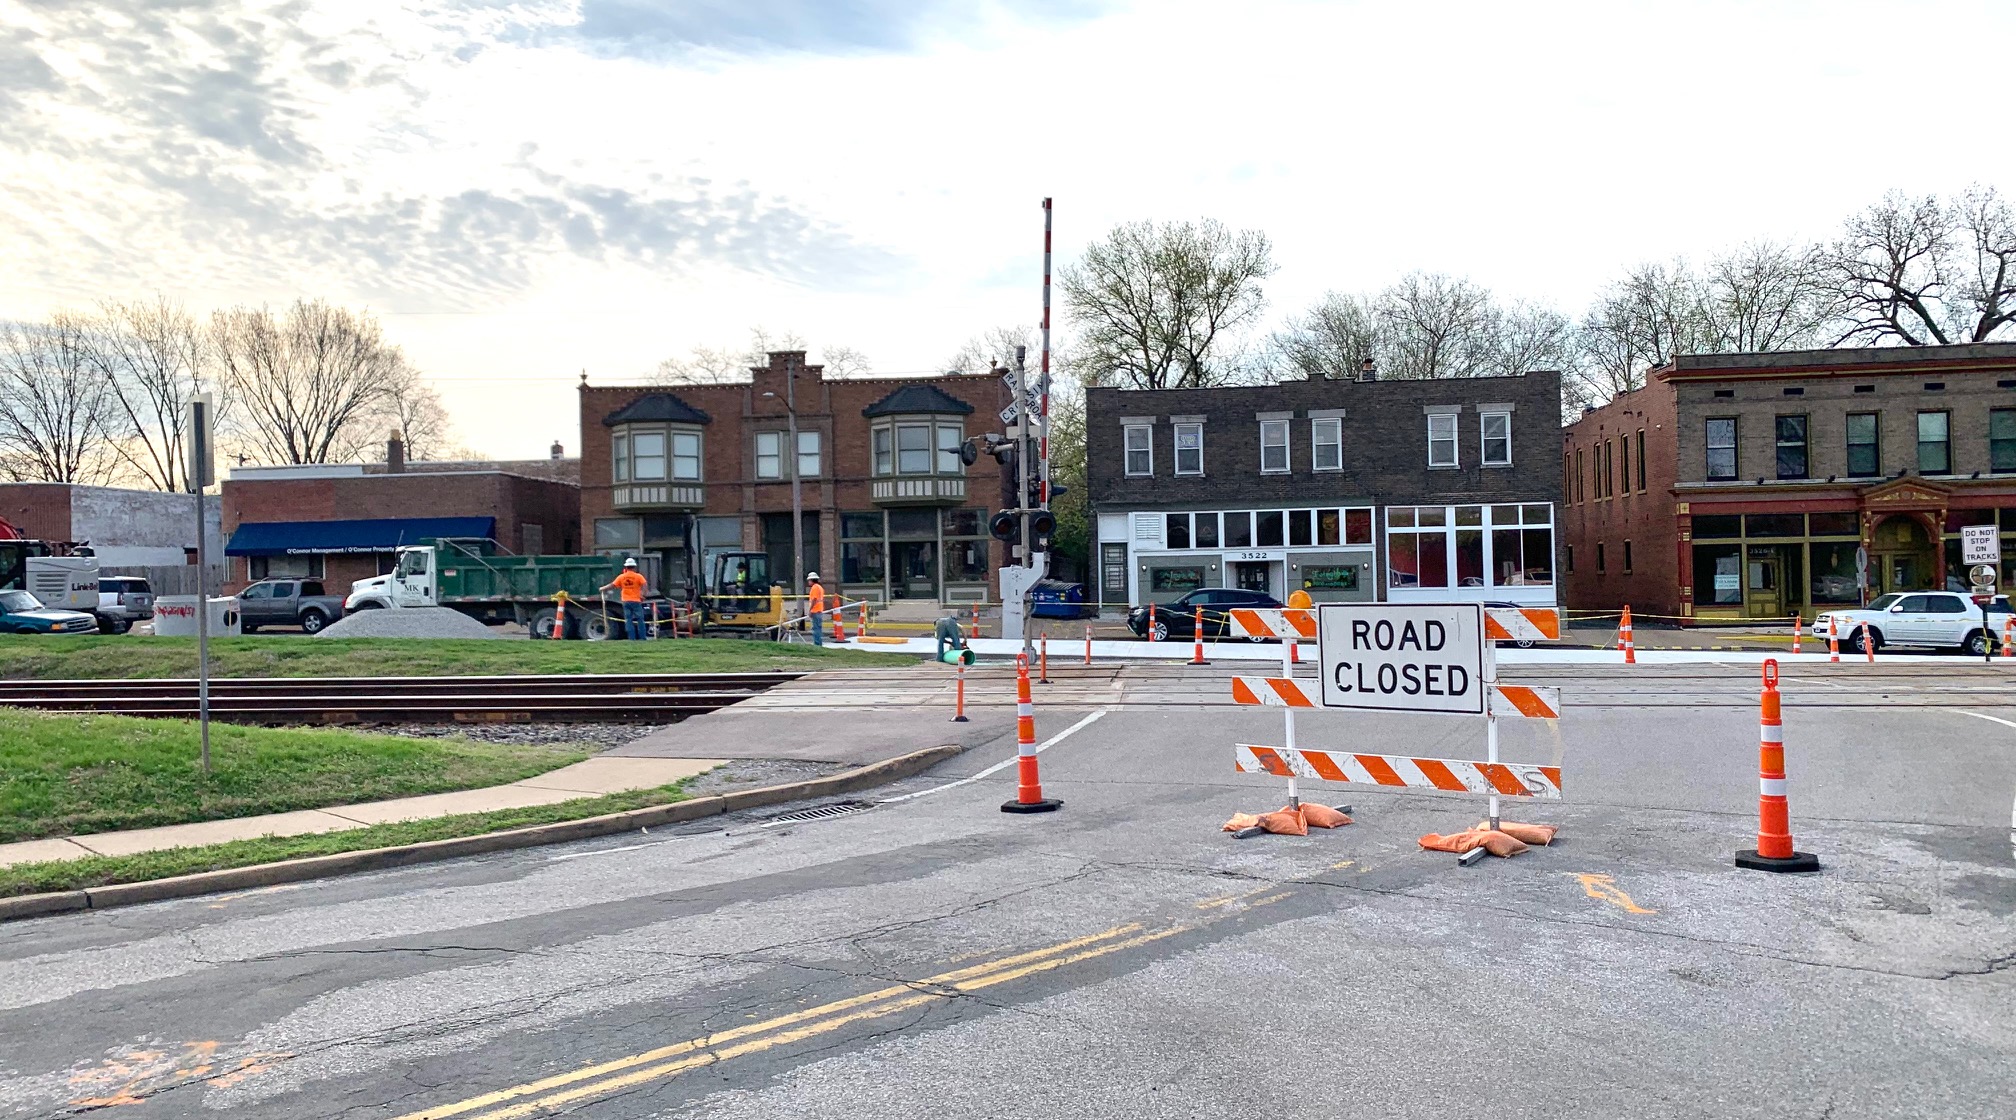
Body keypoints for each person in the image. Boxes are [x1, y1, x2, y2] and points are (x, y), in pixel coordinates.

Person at [600, 558, 649, 640]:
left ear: (626, 567)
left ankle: (631, 638)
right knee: (640, 619)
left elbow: (612, 585)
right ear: (634, 567)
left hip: (626, 601)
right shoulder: (638, 576)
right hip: (636, 601)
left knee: (628, 620)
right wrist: (643, 595)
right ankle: (642, 638)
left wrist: (603, 588)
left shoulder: (621, 577)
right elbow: (645, 585)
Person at [806, 571, 826, 646]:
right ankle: (819, 643)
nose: (808, 582)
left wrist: (810, 610)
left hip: (815, 610)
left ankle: (817, 644)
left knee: (816, 629)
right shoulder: (820, 587)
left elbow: (814, 600)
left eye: (809, 580)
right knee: (818, 628)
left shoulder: (814, 588)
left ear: (812, 580)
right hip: (819, 610)